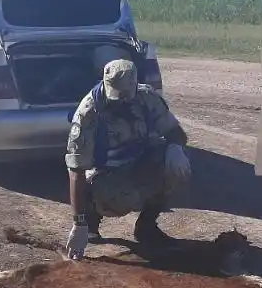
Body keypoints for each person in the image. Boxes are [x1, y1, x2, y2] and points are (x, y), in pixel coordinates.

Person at [65, 58, 192, 260]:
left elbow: (176, 132)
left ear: (135, 85)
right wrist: (78, 223)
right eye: (117, 96)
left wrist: (175, 149)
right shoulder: (88, 113)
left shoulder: (147, 98)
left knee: (176, 166)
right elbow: (76, 170)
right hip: (105, 171)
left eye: (126, 96)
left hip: (138, 159)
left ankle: (146, 226)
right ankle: (91, 220)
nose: (122, 101)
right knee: (123, 197)